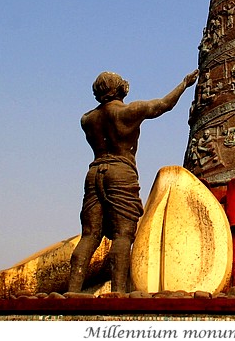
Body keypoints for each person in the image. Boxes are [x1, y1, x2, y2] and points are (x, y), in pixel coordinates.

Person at [67, 69, 199, 293]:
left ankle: (72, 290)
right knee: (123, 235)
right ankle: (117, 292)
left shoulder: (87, 120)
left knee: (90, 235)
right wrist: (184, 84)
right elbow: (164, 104)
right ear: (120, 88)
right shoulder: (129, 111)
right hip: (121, 171)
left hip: (94, 172)